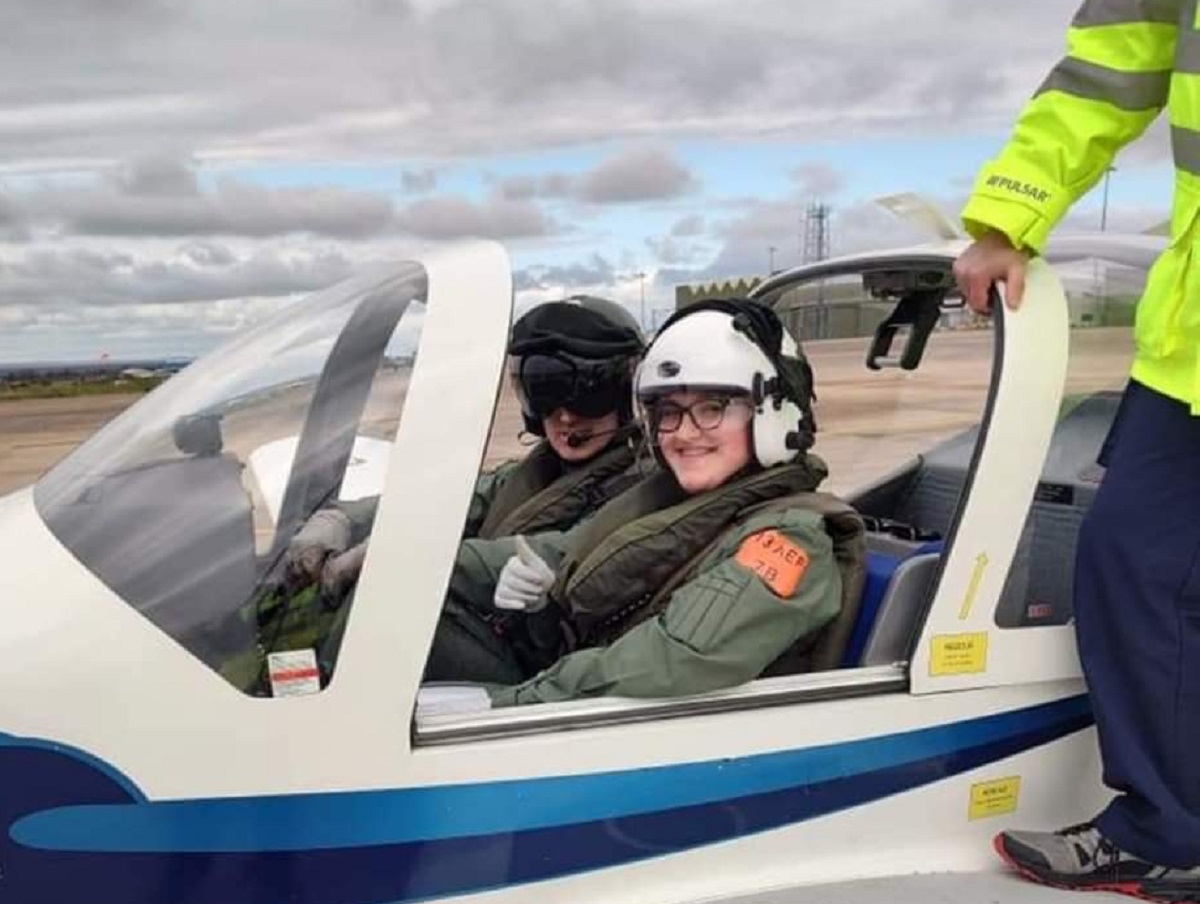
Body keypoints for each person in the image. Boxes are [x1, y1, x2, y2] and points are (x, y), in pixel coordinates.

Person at [953, 2, 1200, 896]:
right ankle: (1171, 832)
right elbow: (1103, 75)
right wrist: (1008, 220)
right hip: (1192, 352)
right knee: (1130, 555)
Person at [422, 298, 866, 707]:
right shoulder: (669, 503)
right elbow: (598, 621)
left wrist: (501, 707)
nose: (684, 433)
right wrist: (539, 613)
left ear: (772, 412)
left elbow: (669, 661)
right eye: (668, 412)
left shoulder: (791, 541)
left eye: (712, 408)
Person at [284, 295, 648, 600]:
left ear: (627, 394)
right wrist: (343, 518)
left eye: (590, 394)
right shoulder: (534, 473)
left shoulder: (641, 486)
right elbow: (448, 501)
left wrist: (403, 557)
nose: (566, 417)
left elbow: (560, 550)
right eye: (545, 391)